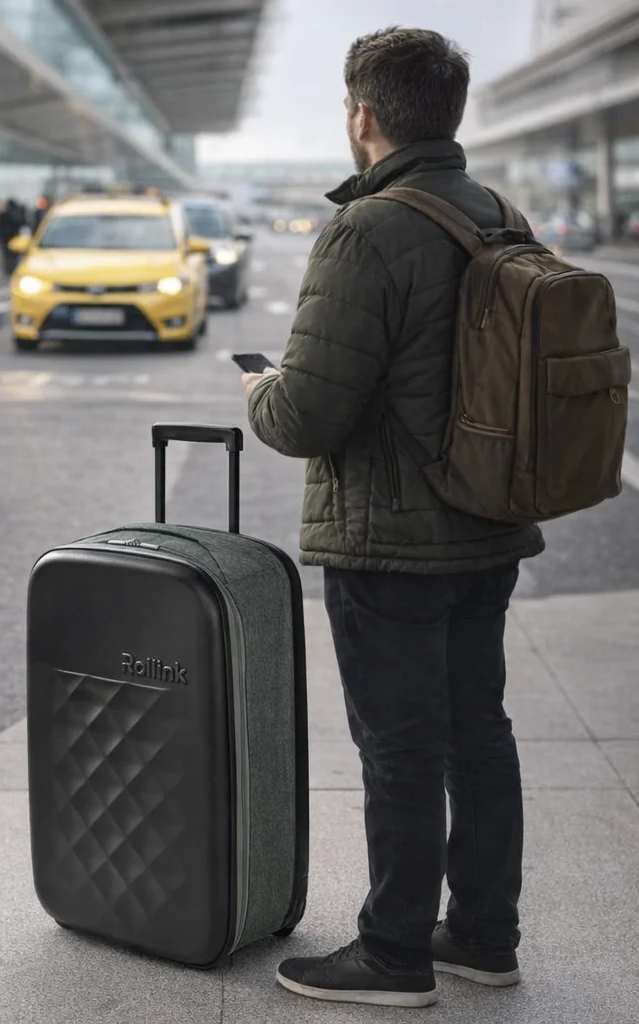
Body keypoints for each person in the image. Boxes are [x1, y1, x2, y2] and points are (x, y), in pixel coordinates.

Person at [243, 27, 544, 1009]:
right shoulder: (499, 213)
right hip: (489, 526)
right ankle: (484, 935)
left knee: (400, 748)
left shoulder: (367, 230)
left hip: (389, 538)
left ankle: (394, 953)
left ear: (363, 117)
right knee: (477, 731)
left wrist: (255, 389)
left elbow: (304, 415)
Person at [0, 197, 26, 276]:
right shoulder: (17, 214)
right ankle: (12, 270)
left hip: (7, 238)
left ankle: (10, 270)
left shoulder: (4, 215)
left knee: (8, 256)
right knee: (13, 256)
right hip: (13, 238)